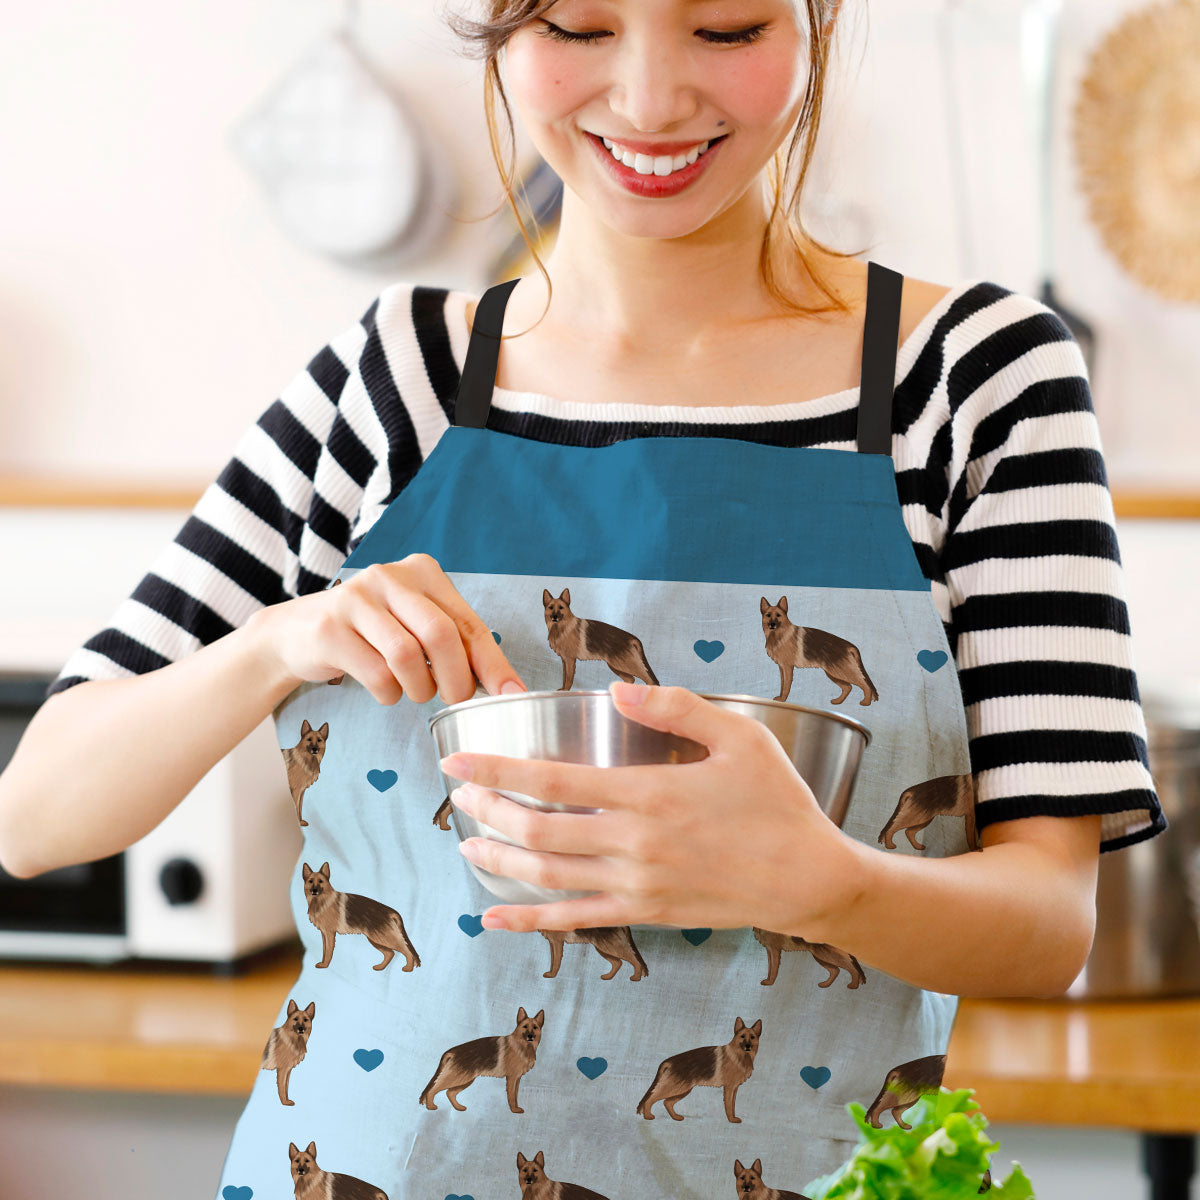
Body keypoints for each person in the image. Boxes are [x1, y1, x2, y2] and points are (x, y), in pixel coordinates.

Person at [0, 1, 1167, 1197]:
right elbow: (35, 816)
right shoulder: (393, 381)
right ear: (499, 32)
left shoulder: (976, 382)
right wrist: (273, 641)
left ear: (816, 21)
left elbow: (1047, 923)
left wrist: (826, 883)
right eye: (577, 24)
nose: (653, 100)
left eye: (726, 27)